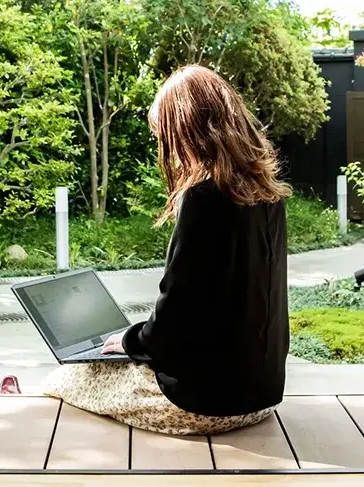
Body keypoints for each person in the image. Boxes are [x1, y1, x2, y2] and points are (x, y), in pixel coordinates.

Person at [43, 65, 290, 435]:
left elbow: (179, 315)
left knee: (69, 377)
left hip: (207, 404)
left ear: (190, 130)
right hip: (263, 396)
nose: (169, 152)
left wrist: (130, 340)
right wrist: (141, 338)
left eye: (166, 137)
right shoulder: (268, 195)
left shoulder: (204, 197)